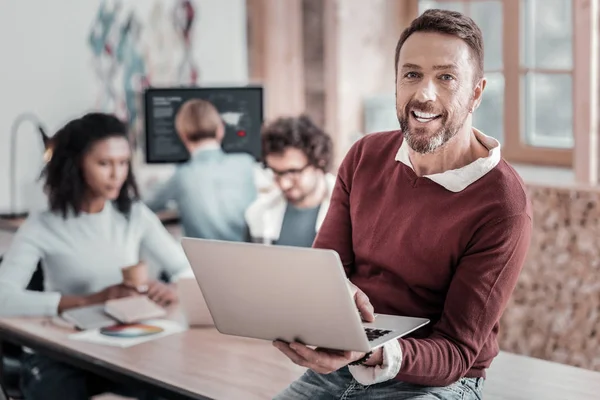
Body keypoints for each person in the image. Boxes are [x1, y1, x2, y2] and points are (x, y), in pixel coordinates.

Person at [273, 9, 532, 399]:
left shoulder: (503, 203)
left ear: (476, 93)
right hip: (344, 363)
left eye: (446, 77)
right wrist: (327, 312)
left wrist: (375, 351)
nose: (424, 94)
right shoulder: (364, 155)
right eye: (412, 74)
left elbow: (457, 351)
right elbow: (325, 269)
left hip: (439, 381)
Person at [0, 112, 190, 400]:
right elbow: (3, 299)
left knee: (173, 390)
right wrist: (91, 300)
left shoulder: (134, 214)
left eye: (123, 163)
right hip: (61, 351)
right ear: (76, 165)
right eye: (104, 164)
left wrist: (173, 288)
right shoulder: (43, 224)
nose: (117, 174)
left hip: (124, 345)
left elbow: (185, 270)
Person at [145, 99, 258, 242]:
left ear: (183, 135)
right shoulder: (246, 163)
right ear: (220, 130)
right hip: (248, 257)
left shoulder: (181, 176)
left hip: (203, 261)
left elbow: (145, 204)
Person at [245, 115, 335, 247]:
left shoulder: (354, 213)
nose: (284, 184)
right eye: (276, 172)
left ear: (319, 161)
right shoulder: (257, 215)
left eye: (293, 172)